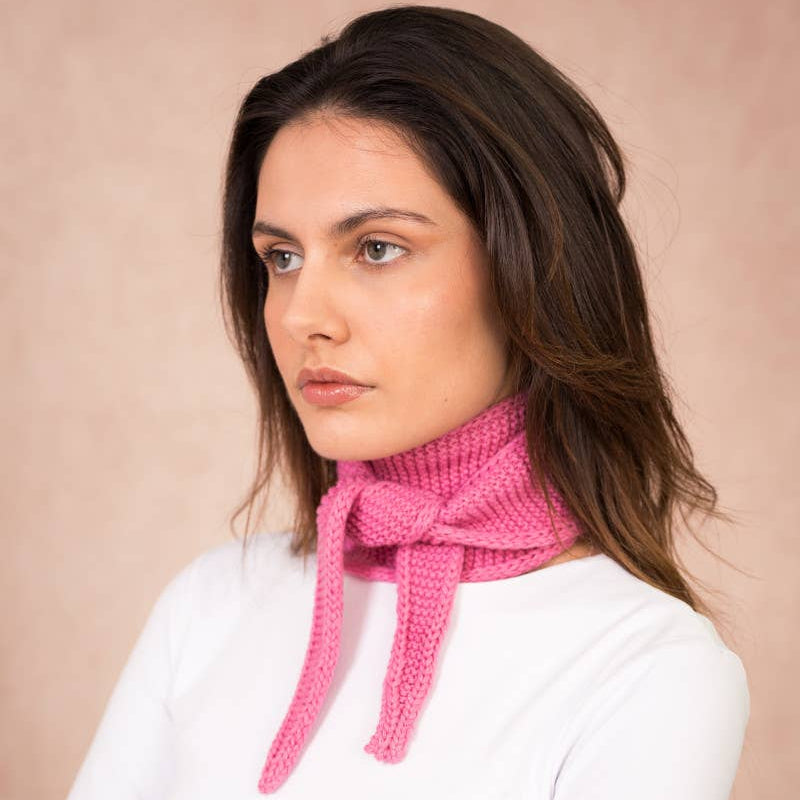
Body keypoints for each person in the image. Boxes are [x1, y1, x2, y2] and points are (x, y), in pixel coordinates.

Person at [65, 5, 750, 799]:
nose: (302, 315)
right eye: (281, 257)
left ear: (529, 265)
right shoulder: (210, 604)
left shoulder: (648, 667)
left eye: (378, 248)